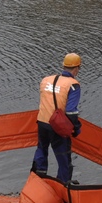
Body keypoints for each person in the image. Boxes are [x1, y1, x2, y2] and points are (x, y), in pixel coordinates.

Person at [32, 52, 82, 184]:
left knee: (41, 150)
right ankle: (63, 186)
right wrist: (75, 129)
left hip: (42, 122)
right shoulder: (73, 85)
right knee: (63, 158)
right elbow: (71, 112)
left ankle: (38, 180)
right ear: (76, 68)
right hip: (57, 127)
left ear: (64, 66)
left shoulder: (46, 80)